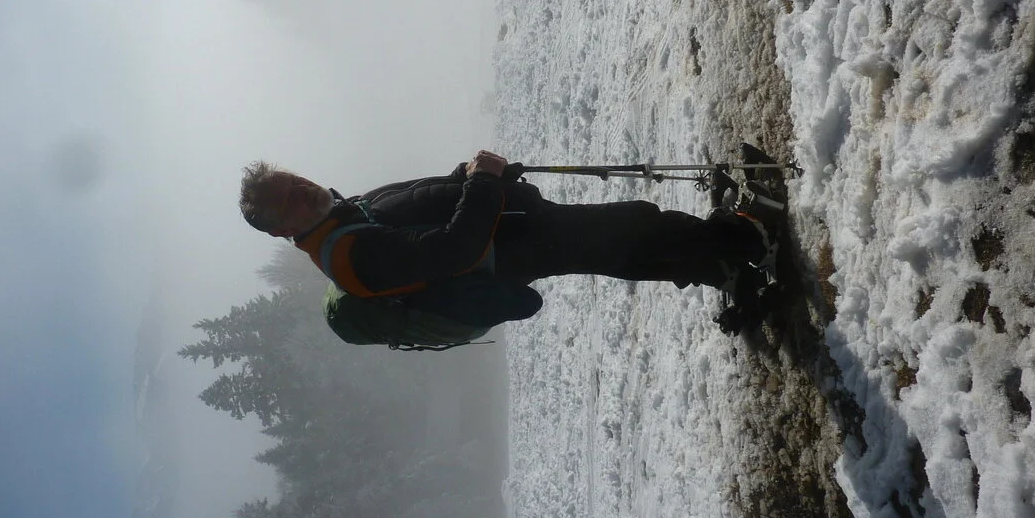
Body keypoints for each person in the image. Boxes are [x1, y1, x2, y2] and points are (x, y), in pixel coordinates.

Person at [238, 150, 774, 326]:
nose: (301, 190)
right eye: (287, 200)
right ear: (282, 229)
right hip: (513, 248)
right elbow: (451, 250)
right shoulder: (352, 257)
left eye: (293, 181)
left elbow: (427, 201)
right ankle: (748, 237)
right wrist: (482, 186)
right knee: (631, 228)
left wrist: (473, 177)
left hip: (517, 231)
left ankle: (718, 263)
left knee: (623, 243)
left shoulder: (344, 211)